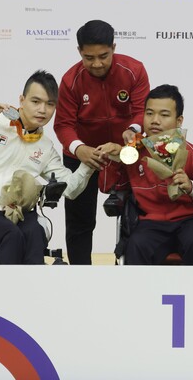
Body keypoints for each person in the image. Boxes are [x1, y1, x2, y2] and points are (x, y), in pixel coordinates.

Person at [0, 70, 93, 265]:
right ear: (22, 100)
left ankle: (32, 293)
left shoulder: (45, 147)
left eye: (50, 104)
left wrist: (89, 164)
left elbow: (70, 188)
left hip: (15, 213)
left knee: (36, 231)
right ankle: (5, 294)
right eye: (36, 102)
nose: (42, 110)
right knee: (11, 234)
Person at [54, 20, 150, 264]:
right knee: (79, 223)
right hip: (84, 156)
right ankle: (80, 276)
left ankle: (133, 270)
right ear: (79, 52)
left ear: (114, 47)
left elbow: (144, 113)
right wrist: (80, 149)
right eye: (89, 57)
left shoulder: (135, 70)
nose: (96, 64)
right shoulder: (69, 80)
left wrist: (132, 131)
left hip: (127, 150)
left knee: (138, 215)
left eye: (103, 56)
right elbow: (63, 124)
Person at [99, 84, 193, 265]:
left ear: (179, 121)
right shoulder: (133, 153)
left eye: (164, 115)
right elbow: (107, 187)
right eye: (149, 114)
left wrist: (192, 187)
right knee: (136, 244)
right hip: (152, 223)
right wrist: (113, 158)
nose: (155, 120)